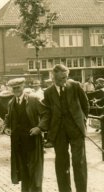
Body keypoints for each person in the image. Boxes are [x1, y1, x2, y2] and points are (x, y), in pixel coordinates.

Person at [43, 64, 89, 192]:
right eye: (61, 78)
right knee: (62, 163)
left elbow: (85, 105)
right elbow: (47, 113)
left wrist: (82, 123)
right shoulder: (48, 92)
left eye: (66, 77)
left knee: (78, 162)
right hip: (59, 132)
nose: (64, 80)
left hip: (76, 130)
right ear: (54, 78)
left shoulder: (75, 86)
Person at [4, 77, 49, 192]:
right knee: (22, 170)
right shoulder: (11, 102)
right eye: (14, 88)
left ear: (23, 87)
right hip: (18, 143)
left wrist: (39, 128)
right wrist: (7, 127)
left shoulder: (34, 100)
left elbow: (46, 114)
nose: (16, 90)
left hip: (32, 141)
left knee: (34, 171)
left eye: (18, 87)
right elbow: (8, 118)